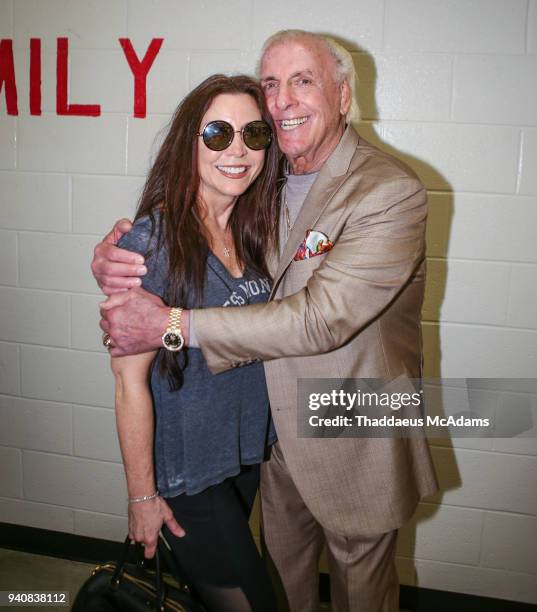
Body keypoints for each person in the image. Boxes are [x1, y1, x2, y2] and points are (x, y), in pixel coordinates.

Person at [94, 31, 439, 612]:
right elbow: (179, 245)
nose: (282, 102)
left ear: (344, 95)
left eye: (304, 81)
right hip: (274, 450)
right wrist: (114, 254)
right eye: (272, 85)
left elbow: (319, 320)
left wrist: (171, 324)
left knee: (364, 597)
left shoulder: (389, 190)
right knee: (283, 587)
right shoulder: (264, 178)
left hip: (355, 437)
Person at [105, 73, 280, 612]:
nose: (237, 150)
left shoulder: (258, 234)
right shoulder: (151, 242)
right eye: (217, 134)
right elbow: (129, 383)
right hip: (187, 478)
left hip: (243, 458)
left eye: (253, 134)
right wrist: (142, 497)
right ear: (188, 144)